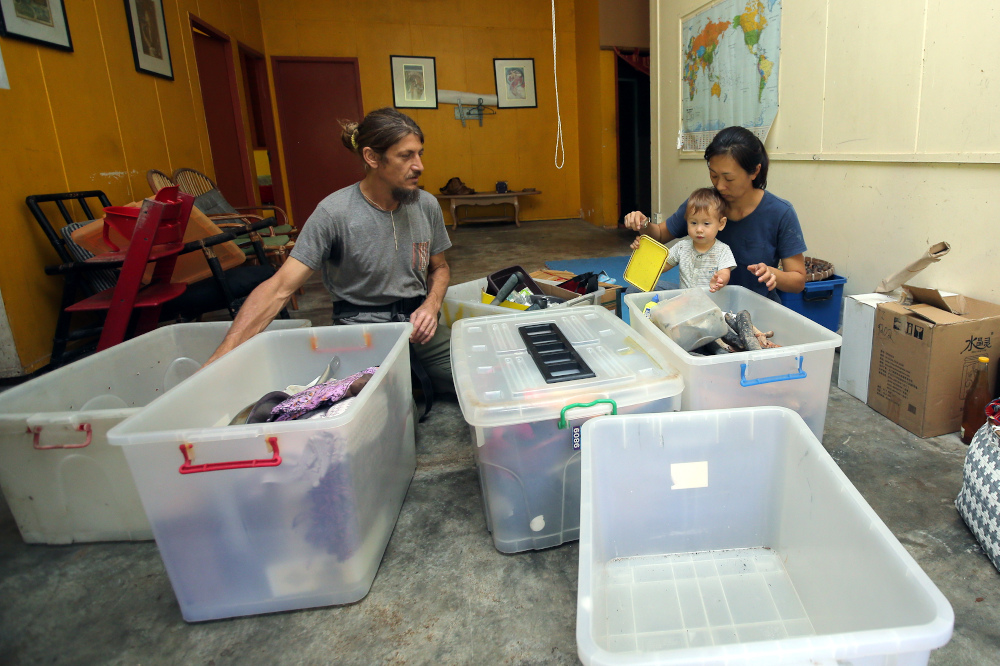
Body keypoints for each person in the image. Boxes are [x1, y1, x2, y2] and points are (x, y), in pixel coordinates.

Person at [205, 107, 454, 393]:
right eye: (406, 155)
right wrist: (219, 361)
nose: (419, 165)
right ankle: (401, 385)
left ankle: (412, 380)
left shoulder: (425, 205)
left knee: (481, 374)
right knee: (388, 410)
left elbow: (440, 268)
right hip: (361, 332)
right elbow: (278, 289)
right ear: (372, 157)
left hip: (416, 329)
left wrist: (431, 305)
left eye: (420, 153)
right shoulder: (334, 213)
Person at [624, 126, 806, 299]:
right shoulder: (706, 204)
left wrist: (773, 274)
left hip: (752, 305)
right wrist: (643, 224)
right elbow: (661, 234)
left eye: (729, 178)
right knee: (635, 290)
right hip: (701, 297)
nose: (719, 186)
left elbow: (798, 281)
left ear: (755, 171)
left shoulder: (780, 213)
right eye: (713, 175)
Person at [653, 187, 736, 292]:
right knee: (636, 290)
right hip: (685, 298)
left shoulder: (723, 250)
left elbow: (724, 272)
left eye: (706, 223)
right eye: (693, 223)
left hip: (710, 301)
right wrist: (643, 252)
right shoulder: (682, 247)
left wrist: (720, 279)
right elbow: (661, 266)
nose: (699, 229)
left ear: (721, 224)